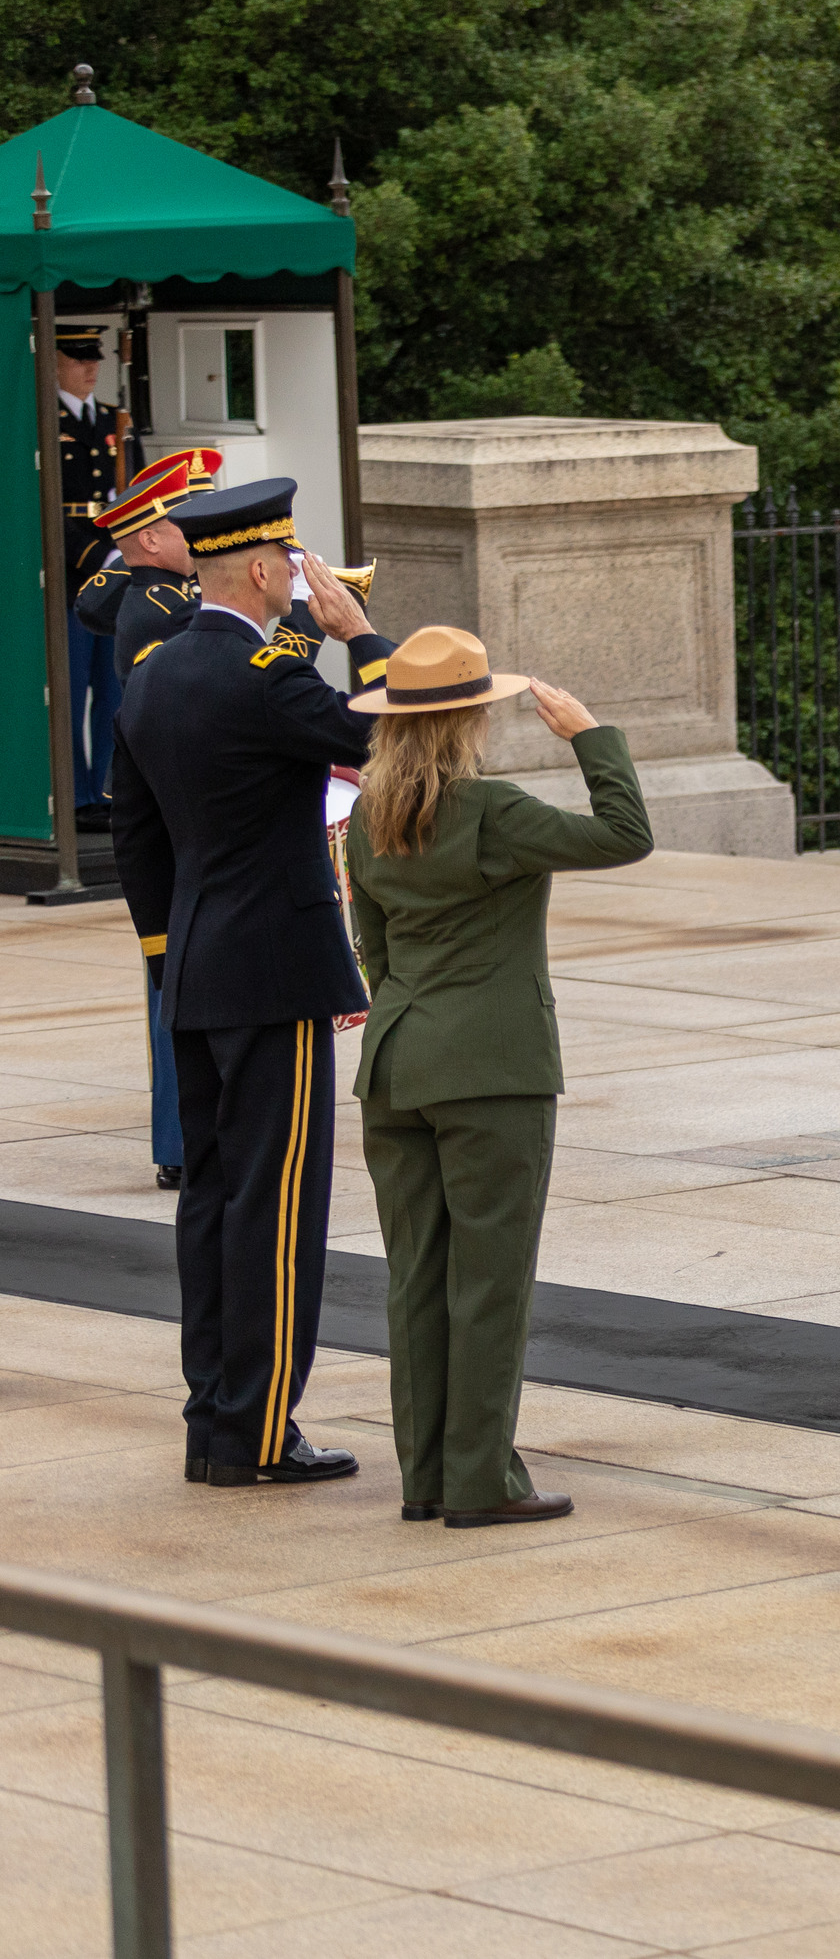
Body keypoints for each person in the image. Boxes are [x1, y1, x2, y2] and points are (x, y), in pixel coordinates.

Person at [112, 479, 394, 1488]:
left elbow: (135, 835)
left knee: (215, 1203)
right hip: (274, 969)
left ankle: (213, 1417)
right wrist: (359, 635)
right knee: (276, 1210)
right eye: (291, 559)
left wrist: (165, 953)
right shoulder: (266, 674)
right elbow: (390, 730)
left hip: (191, 968)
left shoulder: (154, 672)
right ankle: (259, 1431)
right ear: (267, 568)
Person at [347, 627, 651, 1528]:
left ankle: (425, 1477)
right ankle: (480, 1480)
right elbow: (624, 834)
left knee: (416, 1281)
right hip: (490, 1067)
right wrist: (591, 735)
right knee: (489, 1281)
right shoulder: (492, 811)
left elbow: (373, 947)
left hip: (396, 1067)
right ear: (470, 716)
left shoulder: (366, 812)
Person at [74, 451, 232, 1189]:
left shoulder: (152, 589)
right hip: (175, 805)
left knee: (182, 970)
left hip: (166, 802)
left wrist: (134, 542)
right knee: (181, 968)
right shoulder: (167, 610)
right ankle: (182, 1140)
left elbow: (91, 600)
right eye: (184, 522)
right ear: (148, 539)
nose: (200, 533)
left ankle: (186, 1134)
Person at [58, 320, 141, 824]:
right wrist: (101, 557)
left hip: (120, 579)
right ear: (53, 363)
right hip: (72, 577)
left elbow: (146, 498)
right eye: (77, 357)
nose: (91, 366)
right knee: (68, 691)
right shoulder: (42, 426)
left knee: (114, 688)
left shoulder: (118, 421)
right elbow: (46, 511)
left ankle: (109, 793)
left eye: (95, 356)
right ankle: (74, 797)